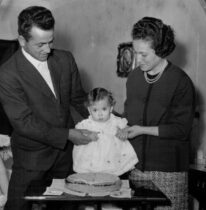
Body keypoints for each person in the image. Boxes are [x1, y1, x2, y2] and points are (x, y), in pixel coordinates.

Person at [0, 6, 98, 210]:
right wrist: (68, 134)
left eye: (51, 42)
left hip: (65, 156)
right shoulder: (6, 75)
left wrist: (111, 118)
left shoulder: (65, 60)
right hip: (31, 157)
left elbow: (79, 98)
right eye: (40, 44)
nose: (48, 50)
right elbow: (24, 123)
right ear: (22, 40)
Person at [122, 17, 196, 209]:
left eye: (144, 55)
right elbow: (128, 117)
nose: (138, 60)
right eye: (135, 52)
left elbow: (181, 130)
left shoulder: (181, 81)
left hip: (169, 173)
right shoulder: (134, 78)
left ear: (161, 50)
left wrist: (142, 130)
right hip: (135, 169)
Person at [73, 87, 138, 176]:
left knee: (114, 175)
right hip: (92, 159)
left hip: (113, 156)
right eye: (95, 110)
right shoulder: (86, 124)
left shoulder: (115, 120)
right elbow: (78, 134)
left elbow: (127, 128)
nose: (100, 114)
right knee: (90, 176)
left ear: (111, 108)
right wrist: (88, 136)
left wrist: (123, 131)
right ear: (89, 110)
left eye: (104, 109)